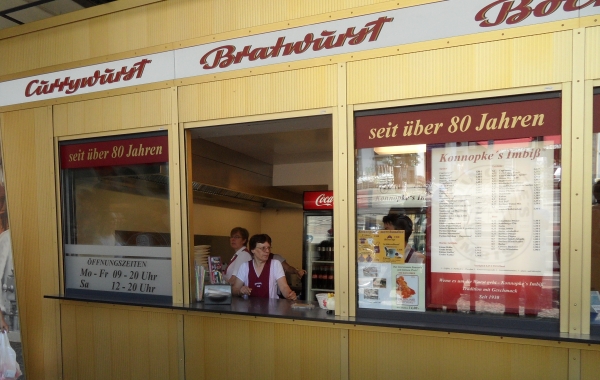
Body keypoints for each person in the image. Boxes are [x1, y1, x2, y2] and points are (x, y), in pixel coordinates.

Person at [232, 234, 297, 300]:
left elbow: (284, 287)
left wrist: (289, 294)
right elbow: (235, 289)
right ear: (253, 250)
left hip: (271, 309)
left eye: (268, 248)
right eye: (263, 248)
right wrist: (240, 291)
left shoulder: (275, 264)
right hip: (250, 309)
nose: (267, 251)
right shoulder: (245, 267)